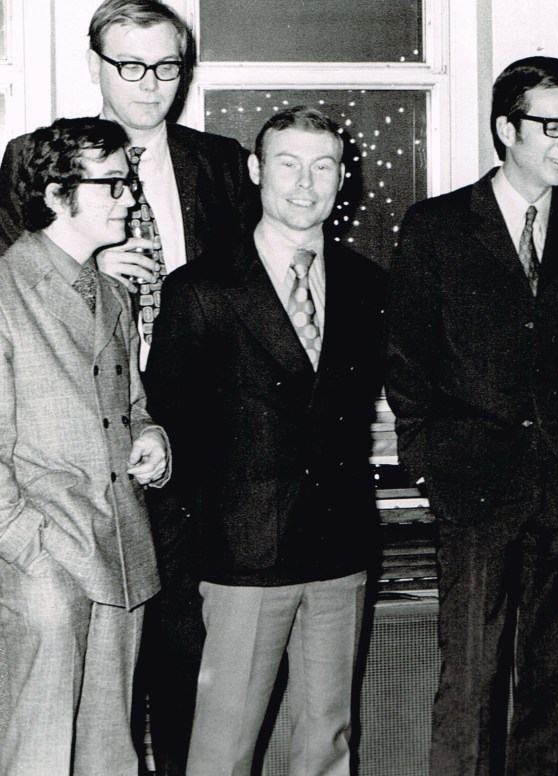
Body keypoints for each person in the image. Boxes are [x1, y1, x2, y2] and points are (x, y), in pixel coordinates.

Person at [0, 3, 257, 771]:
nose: (151, 83)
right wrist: (82, 265)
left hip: (158, 477)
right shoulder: (37, 176)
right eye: (131, 65)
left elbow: (240, 301)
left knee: (156, 679)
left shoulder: (216, 166)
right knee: (46, 720)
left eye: (168, 66)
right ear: (96, 67)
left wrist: (155, 431)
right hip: (50, 510)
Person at [384, 56, 558, 776]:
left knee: (553, 683)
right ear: (506, 128)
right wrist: (428, 460)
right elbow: (406, 359)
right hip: (474, 488)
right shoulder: (436, 228)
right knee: (470, 678)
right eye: (552, 127)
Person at [144, 106, 389, 776]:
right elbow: (166, 433)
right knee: (223, 747)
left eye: (322, 166)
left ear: (342, 177)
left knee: (328, 738)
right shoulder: (200, 289)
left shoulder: (368, 284)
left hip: (339, 547)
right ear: (256, 171)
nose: (305, 184)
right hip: (241, 557)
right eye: (288, 164)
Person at [0, 116, 171, 773]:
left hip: (119, 555)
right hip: (44, 568)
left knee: (109, 756)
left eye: (128, 182)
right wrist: (33, 553)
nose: (129, 198)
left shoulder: (112, 294)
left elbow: (131, 406)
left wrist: (151, 436)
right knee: (37, 756)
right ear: (56, 194)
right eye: (113, 184)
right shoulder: (7, 292)